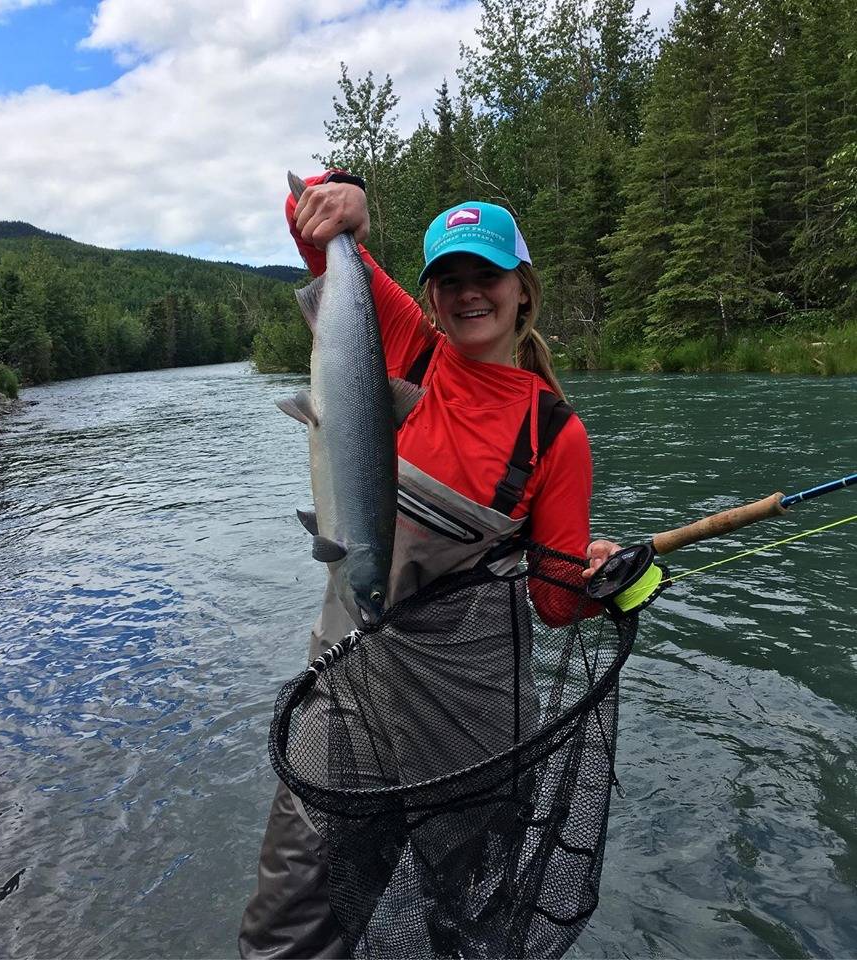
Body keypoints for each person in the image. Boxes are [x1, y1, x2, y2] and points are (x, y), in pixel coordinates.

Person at [239, 171, 619, 959]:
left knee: (465, 928)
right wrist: (345, 200)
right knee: (290, 925)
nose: (469, 293)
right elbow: (308, 217)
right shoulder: (406, 346)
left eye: (487, 275)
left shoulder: (556, 434)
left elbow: (553, 601)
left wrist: (602, 580)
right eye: (450, 280)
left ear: (523, 289)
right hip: (346, 700)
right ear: (430, 296)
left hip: (473, 723)